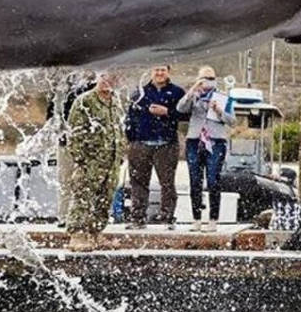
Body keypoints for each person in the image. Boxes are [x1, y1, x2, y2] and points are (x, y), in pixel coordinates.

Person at [65, 72, 126, 251]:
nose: (109, 81)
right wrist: (81, 160)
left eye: (113, 78)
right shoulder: (85, 101)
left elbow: (118, 129)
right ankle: (77, 236)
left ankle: (95, 234)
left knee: (105, 199)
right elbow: (74, 133)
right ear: (97, 78)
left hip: (111, 161)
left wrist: (121, 152)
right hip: (90, 161)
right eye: (105, 76)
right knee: (83, 197)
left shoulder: (115, 101)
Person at [124, 65, 185, 230]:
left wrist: (167, 112)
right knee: (138, 182)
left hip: (167, 144)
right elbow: (129, 117)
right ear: (151, 72)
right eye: (156, 70)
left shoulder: (178, 92)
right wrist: (131, 139)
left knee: (167, 183)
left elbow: (186, 115)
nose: (159, 73)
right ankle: (137, 218)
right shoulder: (139, 92)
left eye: (162, 70)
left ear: (168, 72)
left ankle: (167, 218)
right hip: (140, 144)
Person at [176, 66, 235, 232]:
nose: (208, 81)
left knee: (213, 180)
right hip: (195, 140)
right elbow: (180, 109)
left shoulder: (223, 96)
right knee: (195, 180)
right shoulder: (194, 96)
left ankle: (213, 219)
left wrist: (218, 110)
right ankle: (196, 219)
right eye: (204, 78)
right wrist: (193, 90)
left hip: (216, 141)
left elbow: (232, 121)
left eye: (211, 78)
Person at [45, 71, 96, 228]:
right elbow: (50, 118)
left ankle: (83, 216)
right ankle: (64, 216)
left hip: (86, 144)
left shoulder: (92, 90)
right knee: (65, 181)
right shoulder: (59, 95)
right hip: (65, 144)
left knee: (85, 181)